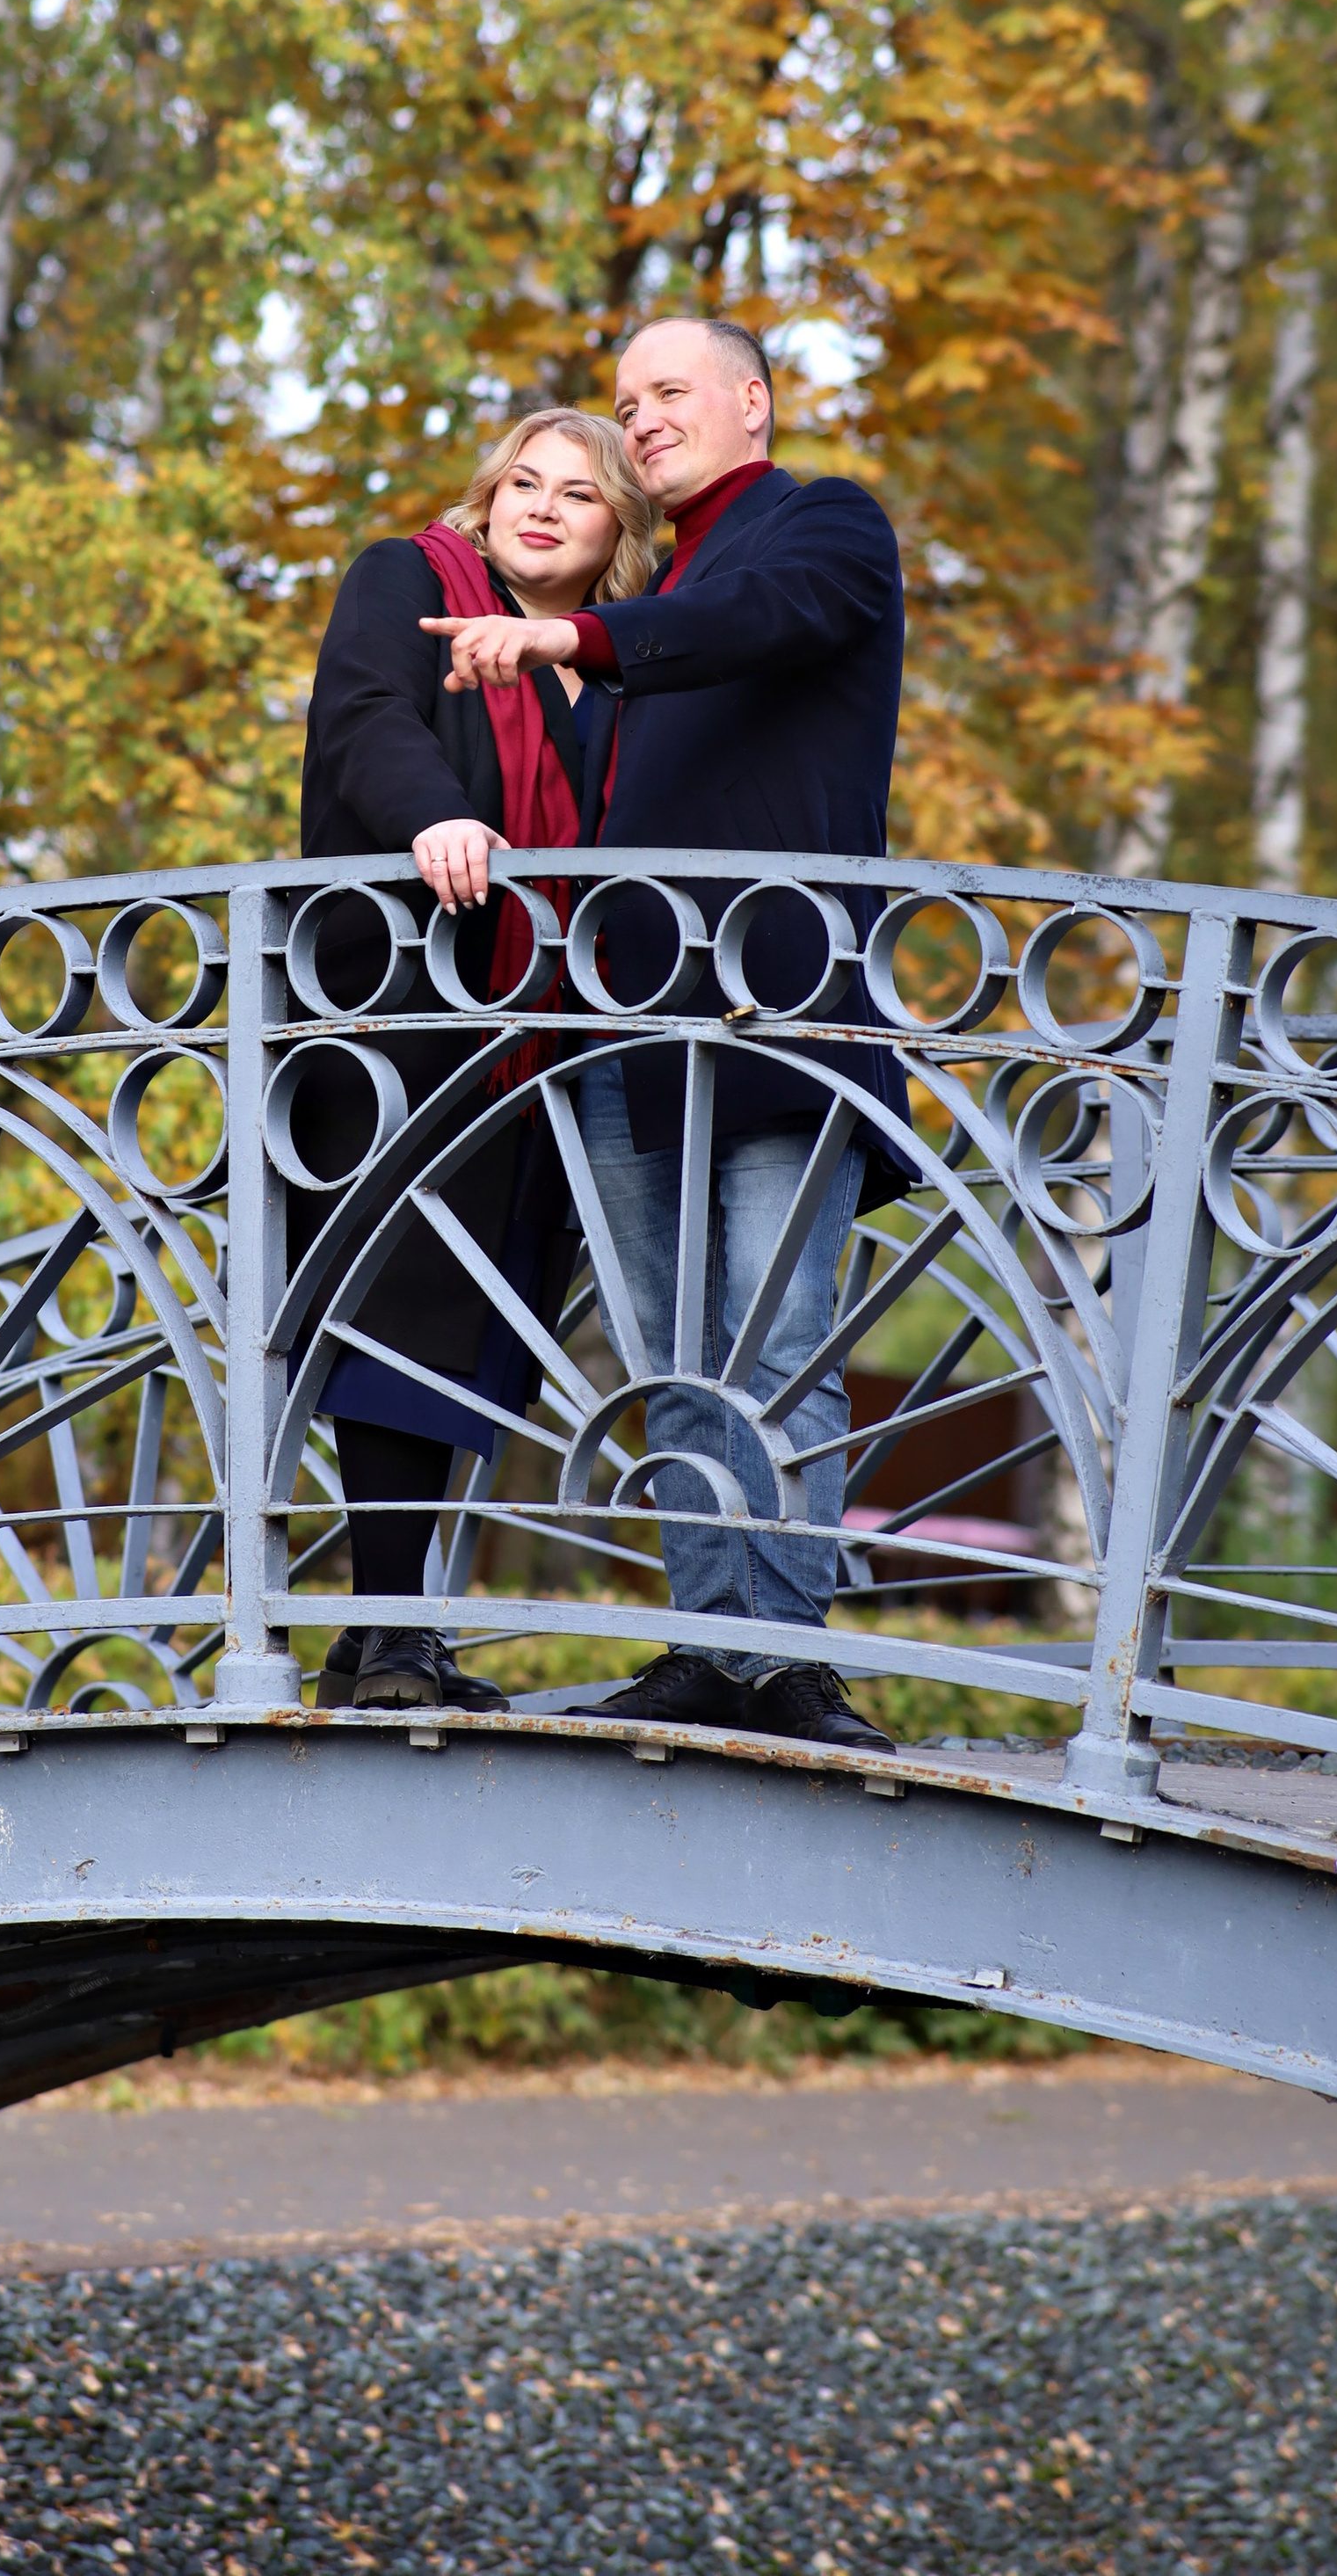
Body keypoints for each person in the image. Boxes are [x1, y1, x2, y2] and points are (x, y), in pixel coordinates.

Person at [417, 317, 905, 1749]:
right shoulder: (655, 591)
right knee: (675, 1361)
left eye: (667, 393)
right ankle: (705, 1645)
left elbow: (760, 627)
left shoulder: (820, 528)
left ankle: (783, 1659)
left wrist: (573, 632)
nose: (639, 422)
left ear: (751, 402)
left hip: (777, 1016)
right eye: (625, 402)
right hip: (625, 1033)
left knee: (780, 1345)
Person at [296, 408, 654, 1707]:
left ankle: (386, 1629)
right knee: (400, 1310)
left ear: (620, 532)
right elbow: (366, 719)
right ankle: (390, 1635)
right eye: (522, 482)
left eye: (580, 494)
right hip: (394, 1008)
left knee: (479, 1332)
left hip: (540, 1034)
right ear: (486, 495)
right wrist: (437, 813)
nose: (542, 507)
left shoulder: (608, 673)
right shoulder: (412, 579)